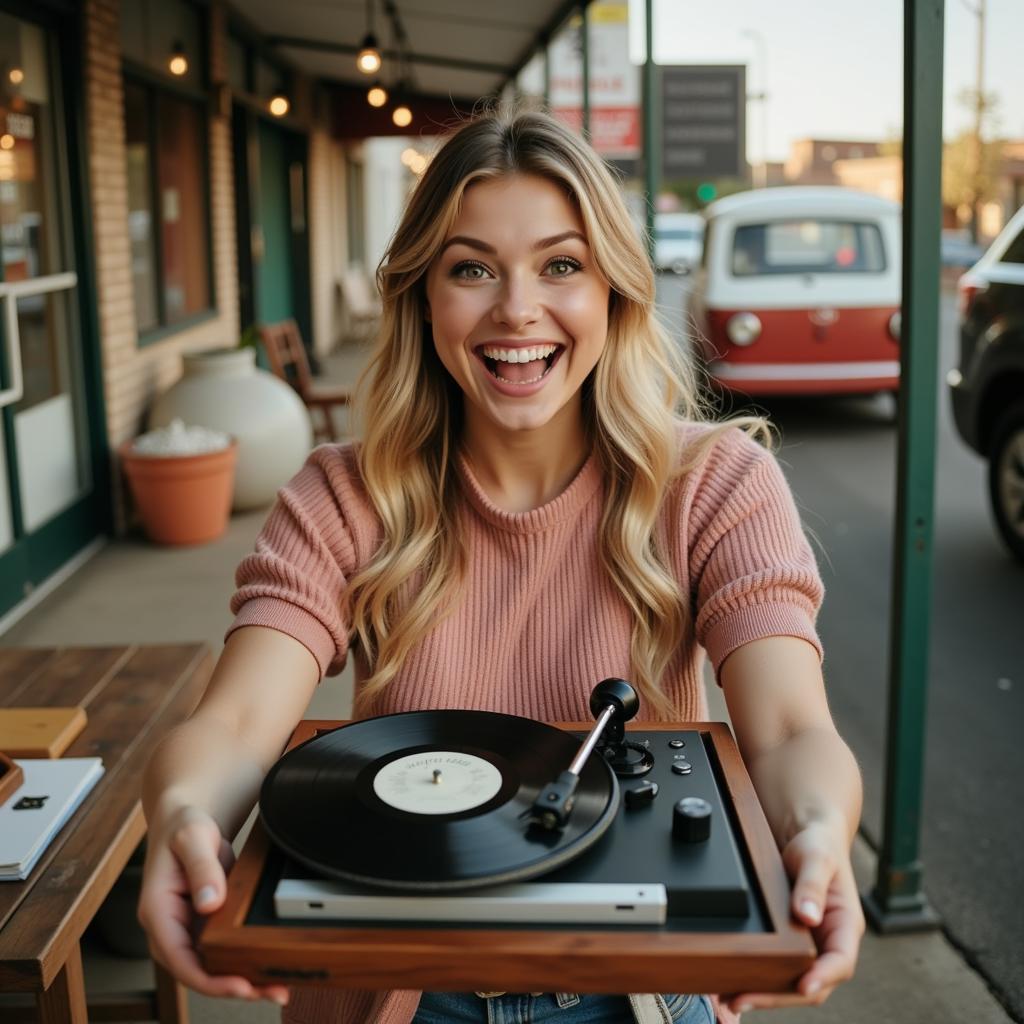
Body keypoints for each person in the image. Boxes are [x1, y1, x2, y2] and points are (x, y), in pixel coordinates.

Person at [138, 108, 864, 1024]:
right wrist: (181, 815)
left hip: (644, 983)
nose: (517, 308)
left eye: (561, 265)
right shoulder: (340, 494)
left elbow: (795, 729)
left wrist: (818, 832)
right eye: (472, 268)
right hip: (390, 990)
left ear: (614, 291)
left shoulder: (719, 484)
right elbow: (237, 723)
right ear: (424, 295)